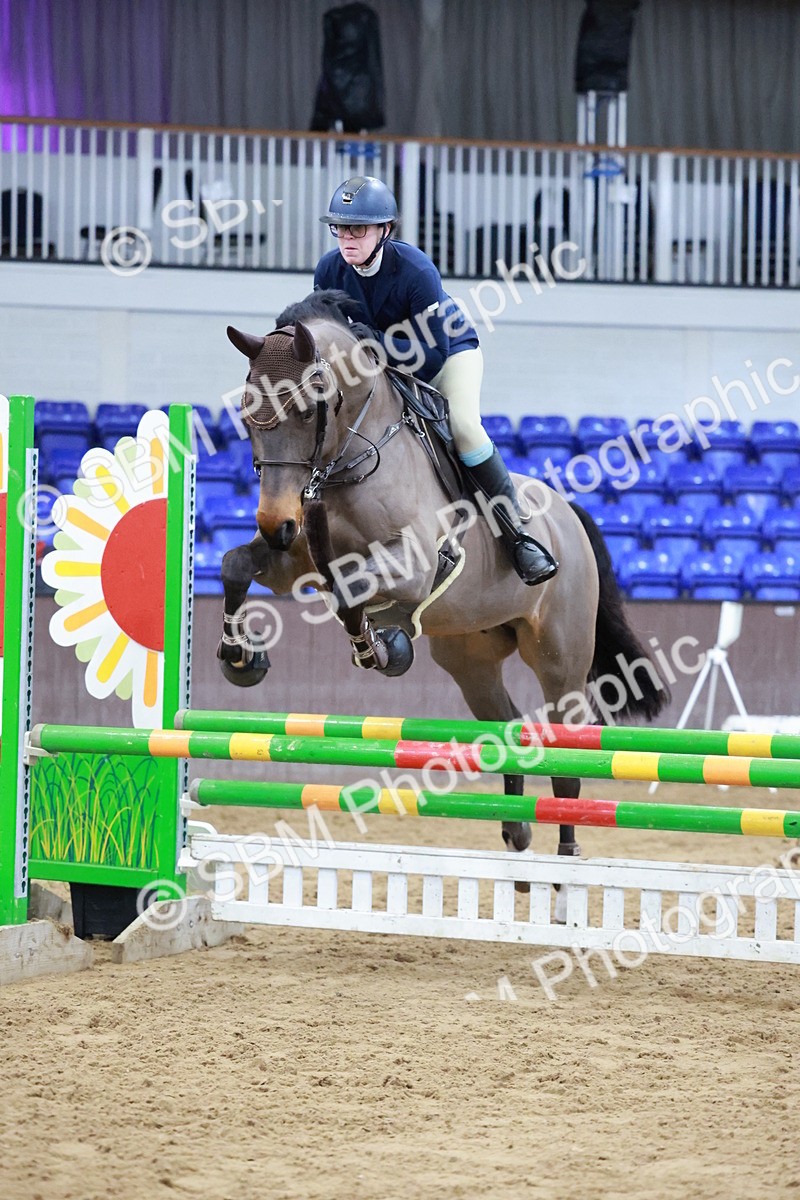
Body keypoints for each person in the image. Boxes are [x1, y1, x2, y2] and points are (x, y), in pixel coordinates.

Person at [313, 175, 558, 586]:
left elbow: (431, 357)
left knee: (463, 427)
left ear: (385, 230)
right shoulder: (328, 269)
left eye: (358, 228)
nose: (346, 238)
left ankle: (518, 534)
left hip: (445, 354)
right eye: (340, 227)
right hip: (378, 367)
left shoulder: (416, 271)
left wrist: (382, 345)